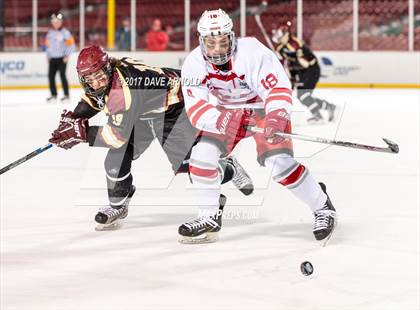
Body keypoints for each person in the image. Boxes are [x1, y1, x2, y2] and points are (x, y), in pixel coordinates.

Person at [48, 45, 253, 231]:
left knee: (192, 167)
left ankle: (227, 166)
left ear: (108, 69)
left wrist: (80, 133)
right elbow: (93, 99)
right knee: (115, 160)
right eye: (89, 79)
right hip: (142, 111)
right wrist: (74, 119)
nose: (95, 82)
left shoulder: (123, 89)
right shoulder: (109, 78)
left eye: (99, 76)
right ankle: (119, 204)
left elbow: (116, 136)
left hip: (173, 107)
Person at [178, 9, 336, 244]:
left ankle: (322, 206)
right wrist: (220, 120)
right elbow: (196, 107)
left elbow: (276, 89)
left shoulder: (252, 51)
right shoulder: (193, 62)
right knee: (201, 158)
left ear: (231, 37)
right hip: (226, 113)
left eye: (223, 42)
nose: (218, 49)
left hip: (262, 110)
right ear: (201, 41)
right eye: (211, 43)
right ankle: (209, 216)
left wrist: (276, 116)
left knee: (279, 163)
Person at [272, 21, 337, 123]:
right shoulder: (281, 49)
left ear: (286, 33)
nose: (278, 37)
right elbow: (288, 64)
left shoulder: (295, 44)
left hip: (311, 70)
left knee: (303, 95)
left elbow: (306, 64)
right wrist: (292, 79)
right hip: (302, 73)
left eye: (280, 34)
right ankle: (328, 106)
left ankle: (318, 116)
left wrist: (297, 55)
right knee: (303, 96)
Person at [45, 13, 76, 103]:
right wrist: (48, 56)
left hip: (62, 58)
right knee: (51, 76)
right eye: (54, 22)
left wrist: (67, 55)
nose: (56, 23)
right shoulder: (50, 33)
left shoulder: (65, 33)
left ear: (61, 22)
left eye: (57, 22)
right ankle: (53, 95)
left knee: (62, 75)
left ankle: (66, 95)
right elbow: (47, 46)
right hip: (52, 58)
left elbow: (72, 45)